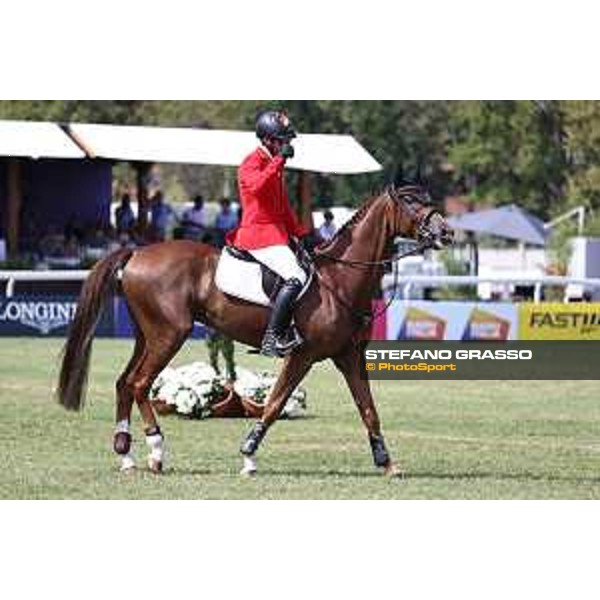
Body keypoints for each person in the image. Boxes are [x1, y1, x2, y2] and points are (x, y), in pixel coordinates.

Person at [226, 109, 309, 357]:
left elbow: (282, 206)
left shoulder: (273, 165)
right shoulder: (252, 161)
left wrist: (300, 234)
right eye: (283, 140)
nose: (287, 144)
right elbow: (257, 188)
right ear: (268, 140)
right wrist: (278, 161)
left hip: (276, 234)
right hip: (258, 236)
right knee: (296, 277)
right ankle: (273, 338)